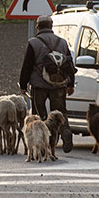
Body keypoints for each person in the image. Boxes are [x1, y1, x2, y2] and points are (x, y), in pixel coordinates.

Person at [19, 14, 76, 153]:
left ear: (38, 26)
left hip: (39, 85)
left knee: (39, 115)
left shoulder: (33, 43)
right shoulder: (62, 42)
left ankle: (43, 144)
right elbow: (69, 65)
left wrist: (23, 84)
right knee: (60, 112)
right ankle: (65, 131)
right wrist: (70, 84)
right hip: (59, 84)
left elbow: (27, 65)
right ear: (51, 26)